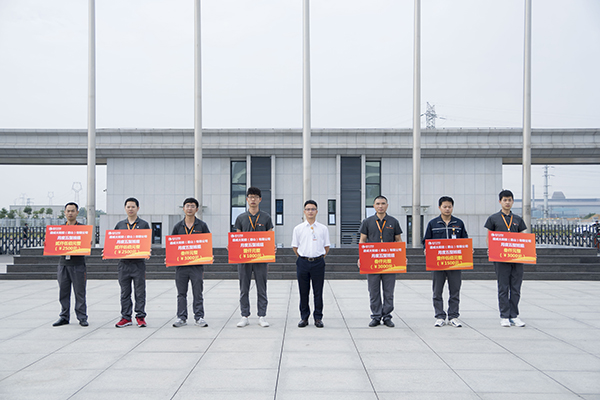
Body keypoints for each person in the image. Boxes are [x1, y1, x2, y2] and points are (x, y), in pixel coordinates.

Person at [422, 196, 469, 328]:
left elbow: (465, 240)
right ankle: (440, 316)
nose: (447, 209)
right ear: (439, 207)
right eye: (445, 207)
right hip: (438, 263)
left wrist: (467, 250)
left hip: (455, 263)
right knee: (437, 291)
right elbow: (426, 241)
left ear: (452, 207)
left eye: (449, 207)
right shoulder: (433, 223)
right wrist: (426, 249)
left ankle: (453, 316)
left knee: (455, 290)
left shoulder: (459, 223)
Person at [484, 189, 528, 328]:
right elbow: (489, 236)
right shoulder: (493, 218)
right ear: (500, 202)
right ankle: (504, 316)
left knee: (516, 287)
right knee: (503, 287)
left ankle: (514, 315)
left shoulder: (518, 219)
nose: (507, 202)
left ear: (513, 202)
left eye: (509, 200)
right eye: (505, 200)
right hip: (500, 258)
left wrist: (529, 252)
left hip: (516, 258)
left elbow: (523, 238)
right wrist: (490, 249)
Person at [358, 196, 403, 328]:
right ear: (374, 206)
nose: (380, 206)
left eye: (383, 203)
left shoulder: (393, 222)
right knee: (374, 291)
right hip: (372, 261)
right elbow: (362, 240)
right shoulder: (367, 222)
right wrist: (361, 257)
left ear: (387, 205)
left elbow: (398, 240)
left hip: (389, 262)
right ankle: (376, 316)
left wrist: (402, 256)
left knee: (389, 292)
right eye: (378, 204)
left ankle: (387, 316)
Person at [234, 187, 274, 328]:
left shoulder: (266, 217)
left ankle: (262, 315)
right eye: (250, 197)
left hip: (261, 258)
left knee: (261, 288)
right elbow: (238, 236)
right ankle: (244, 315)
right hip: (244, 258)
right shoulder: (240, 218)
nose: (253, 200)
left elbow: (270, 236)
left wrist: (271, 246)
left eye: (256, 197)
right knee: (243, 288)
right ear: (247, 199)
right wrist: (233, 246)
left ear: (260, 199)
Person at [171, 197, 210, 328]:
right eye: (187, 206)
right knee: (181, 293)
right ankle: (181, 317)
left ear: (197, 209)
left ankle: (199, 317)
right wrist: (170, 257)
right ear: (183, 208)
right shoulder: (178, 227)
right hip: (181, 267)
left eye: (192, 206)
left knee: (197, 292)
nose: (190, 208)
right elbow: (172, 245)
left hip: (196, 266)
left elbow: (207, 243)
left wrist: (208, 255)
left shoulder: (202, 226)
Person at [291, 200, 331, 328]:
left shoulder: (323, 228)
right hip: (303, 262)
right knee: (303, 292)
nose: (310, 212)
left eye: (313, 209)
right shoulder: (298, 229)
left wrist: (319, 257)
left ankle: (318, 318)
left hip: (318, 262)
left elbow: (327, 247)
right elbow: (295, 247)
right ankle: (304, 317)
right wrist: (303, 257)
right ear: (304, 211)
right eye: (308, 209)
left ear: (317, 211)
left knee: (318, 292)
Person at [114, 197, 151, 328]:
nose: (130, 209)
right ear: (125, 208)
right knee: (125, 292)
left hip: (138, 264)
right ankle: (126, 317)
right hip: (123, 264)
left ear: (138, 208)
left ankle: (140, 316)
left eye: (133, 207)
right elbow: (114, 242)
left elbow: (147, 242)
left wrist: (147, 250)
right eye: (128, 207)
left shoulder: (144, 225)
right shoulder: (120, 225)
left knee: (140, 292)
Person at [52, 202, 88, 327]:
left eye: (73, 211)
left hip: (78, 264)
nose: (70, 213)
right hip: (63, 264)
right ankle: (64, 316)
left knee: (80, 292)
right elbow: (54, 244)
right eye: (68, 211)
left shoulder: (83, 229)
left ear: (77, 212)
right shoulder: (60, 229)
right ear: (65, 213)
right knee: (63, 291)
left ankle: (82, 317)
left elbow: (87, 244)